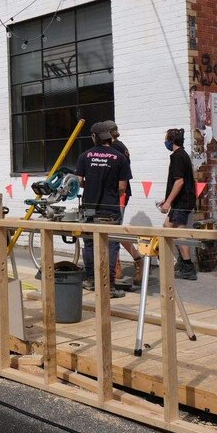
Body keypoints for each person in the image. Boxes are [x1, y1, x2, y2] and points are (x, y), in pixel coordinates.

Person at [75, 122, 131, 299]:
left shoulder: (85, 156)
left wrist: (90, 186)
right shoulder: (119, 157)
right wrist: (111, 193)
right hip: (110, 208)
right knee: (111, 244)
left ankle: (91, 280)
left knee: (90, 243)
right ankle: (110, 285)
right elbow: (122, 186)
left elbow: (78, 181)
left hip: (89, 207)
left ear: (95, 137)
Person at [102, 120, 144, 285]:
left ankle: (134, 260)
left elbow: (123, 175)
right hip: (115, 193)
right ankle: (118, 265)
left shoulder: (116, 148)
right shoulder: (118, 146)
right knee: (114, 230)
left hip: (119, 193)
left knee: (115, 231)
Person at [158, 128, 198, 280]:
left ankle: (188, 266)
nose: (165, 142)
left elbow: (179, 181)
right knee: (168, 227)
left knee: (180, 232)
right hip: (181, 200)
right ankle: (182, 261)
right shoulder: (181, 155)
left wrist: (168, 202)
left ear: (172, 140)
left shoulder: (178, 157)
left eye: (166, 138)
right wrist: (167, 198)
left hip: (183, 201)